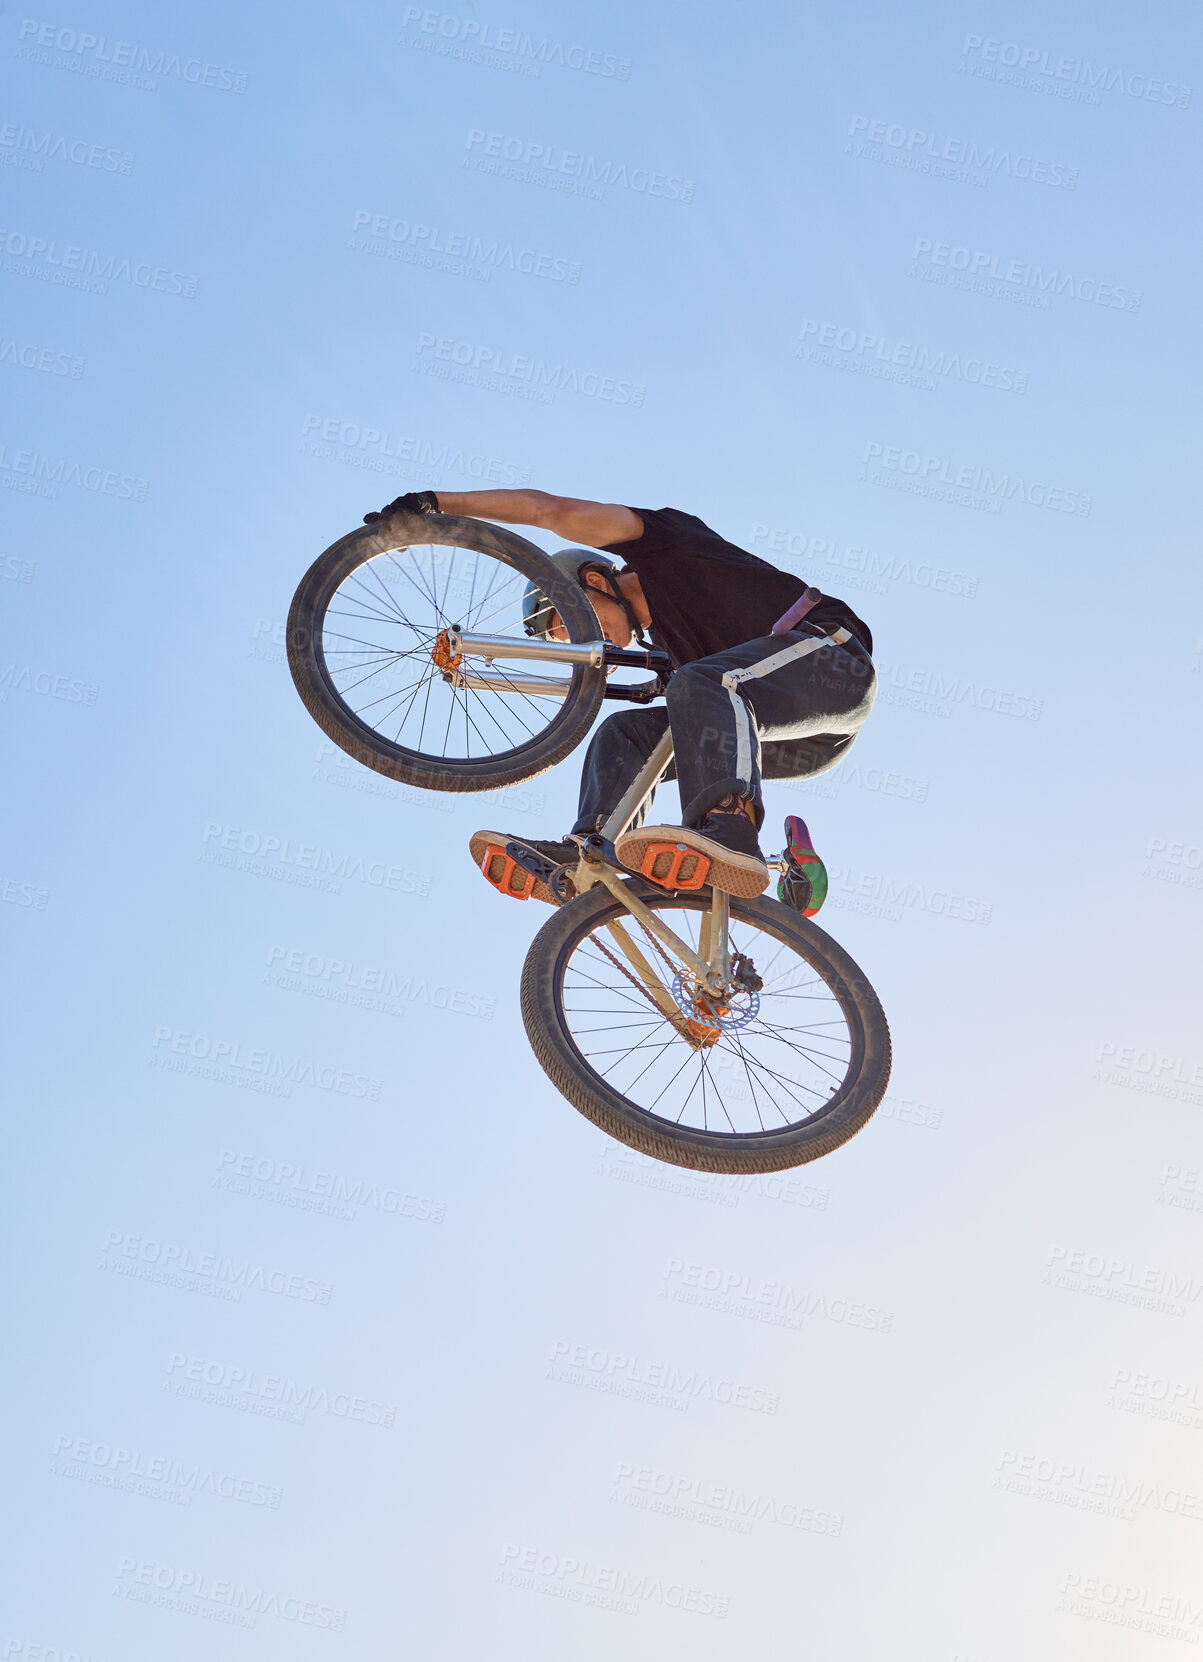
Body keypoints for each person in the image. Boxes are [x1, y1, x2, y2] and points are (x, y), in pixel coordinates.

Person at [363, 488, 876, 908]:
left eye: (564, 617)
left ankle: (731, 829)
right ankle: (589, 855)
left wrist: (437, 507)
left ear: (593, 579)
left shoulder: (667, 546)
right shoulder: (673, 650)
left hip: (831, 666)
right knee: (625, 732)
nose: (574, 639)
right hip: (775, 735)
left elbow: (551, 511)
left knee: (702, 683)